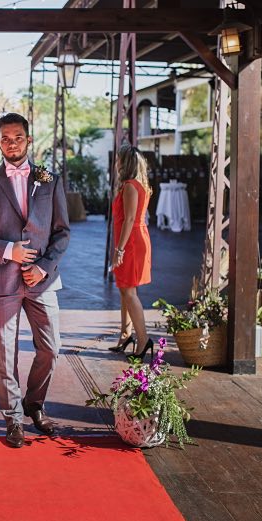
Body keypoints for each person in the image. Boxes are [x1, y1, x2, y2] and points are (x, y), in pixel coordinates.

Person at [0, 113, 70, 448]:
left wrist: (44, 267)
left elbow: (62, 233)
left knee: (50, 348)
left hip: (42, 280)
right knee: (5, 352)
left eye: (18, 137)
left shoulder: (50, 181)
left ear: (29, 139)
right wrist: (8, 250)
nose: (12, 144)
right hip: (2, 280)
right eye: (5, 139)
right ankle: (12, 418)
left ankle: (34, 403)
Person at [109, 144, 153, 360]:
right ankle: (126, 335)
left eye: (118, 159)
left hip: (132, 242)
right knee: (125, 289)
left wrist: (119, 250)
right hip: (134, 239)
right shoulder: (139, 185)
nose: (116, 163)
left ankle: (143, 340)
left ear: (125, 162)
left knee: (129, 292)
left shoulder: (130, 186)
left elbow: (129, 220)